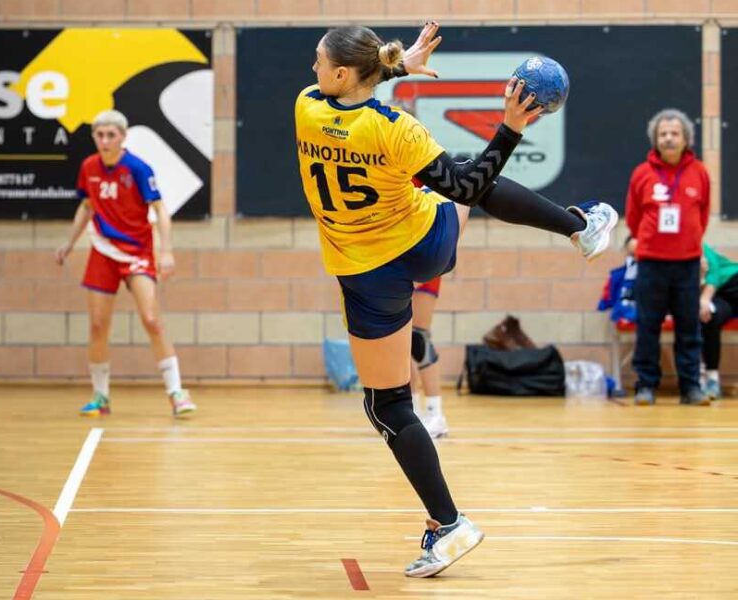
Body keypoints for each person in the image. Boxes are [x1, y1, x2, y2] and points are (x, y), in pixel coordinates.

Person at [294, 23, 617, 578]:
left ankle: (450, 523)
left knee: (388, 406)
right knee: (467, 182)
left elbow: (342, 92)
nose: (313, 69)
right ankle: (579, 228)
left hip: (368, 275)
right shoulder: (397, 130)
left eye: (319, 61)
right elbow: (466, 187)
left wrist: (398, 67)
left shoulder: (306, 108)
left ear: (341, 73)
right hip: (427, 244)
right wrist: (510, 128)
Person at [55, 109, 197, 418]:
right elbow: (87, 206)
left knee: (151, 319)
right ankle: (100, 396)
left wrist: (166, 251)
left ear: (123, 137)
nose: (105, 140)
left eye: (111, 135)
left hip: (137, 252)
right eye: (99, 135)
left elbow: (160, 210)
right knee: (97, 324)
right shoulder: (89, 167)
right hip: (103, 251)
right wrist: (69, 243)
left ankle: (177, 392)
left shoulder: (137, 168)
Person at [625, 109, 710, 406]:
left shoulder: (700, 172)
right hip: (651, 262)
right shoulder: (642, 173)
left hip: (687, 263)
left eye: (675, 133)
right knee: (648, 325)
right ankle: (646, 386)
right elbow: (633, 217)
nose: (669, 138)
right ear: (655, 139)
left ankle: (691, 388)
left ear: (686, 139)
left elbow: (703, 214)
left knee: (689, 328)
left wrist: (688, 242)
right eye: (663, 134)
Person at [410, 276, 448, 438]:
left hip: (421, 267)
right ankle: (411, 410)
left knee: (418, 338)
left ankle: (435, 415)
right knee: (401, 339)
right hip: (394, 267)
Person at [700, 243, 738, 399]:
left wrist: (705, 298)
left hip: (733, 282)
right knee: (709, 317)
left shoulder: (696, 243)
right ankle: (712, 379)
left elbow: (714, 271)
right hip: (721, 297)